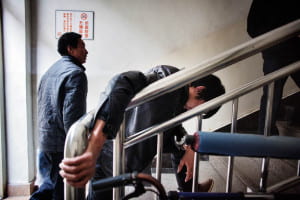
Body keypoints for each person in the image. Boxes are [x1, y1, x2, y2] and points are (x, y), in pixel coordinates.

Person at [60, 65, 225, 199]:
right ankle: (191, 191)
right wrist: (95, 145)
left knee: (180, 145)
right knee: (101, 194)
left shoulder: (179, 100)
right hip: (112, 156)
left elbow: (174, 127)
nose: (196, 113)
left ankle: (190, 191)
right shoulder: (167, 79)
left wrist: (188, 147)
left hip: (128, 157)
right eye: (201, 109)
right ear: (199, 89)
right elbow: (122, 81)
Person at [30, 32, 88, 200]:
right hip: (60, 144)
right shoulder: (75, 74)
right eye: (82, 46)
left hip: (45, 140)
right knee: (56, 191)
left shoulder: (51, 70)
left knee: (47, 185)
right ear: (70, 49)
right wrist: (77, 146)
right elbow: (72, 116)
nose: (86, 51)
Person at [247, 0, 300, 135]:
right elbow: (252, 27)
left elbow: (252, 28)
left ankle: (265, 133)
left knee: (271, 95)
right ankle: (265, 133)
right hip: (280, 50)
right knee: (271, 95)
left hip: (284, 49)